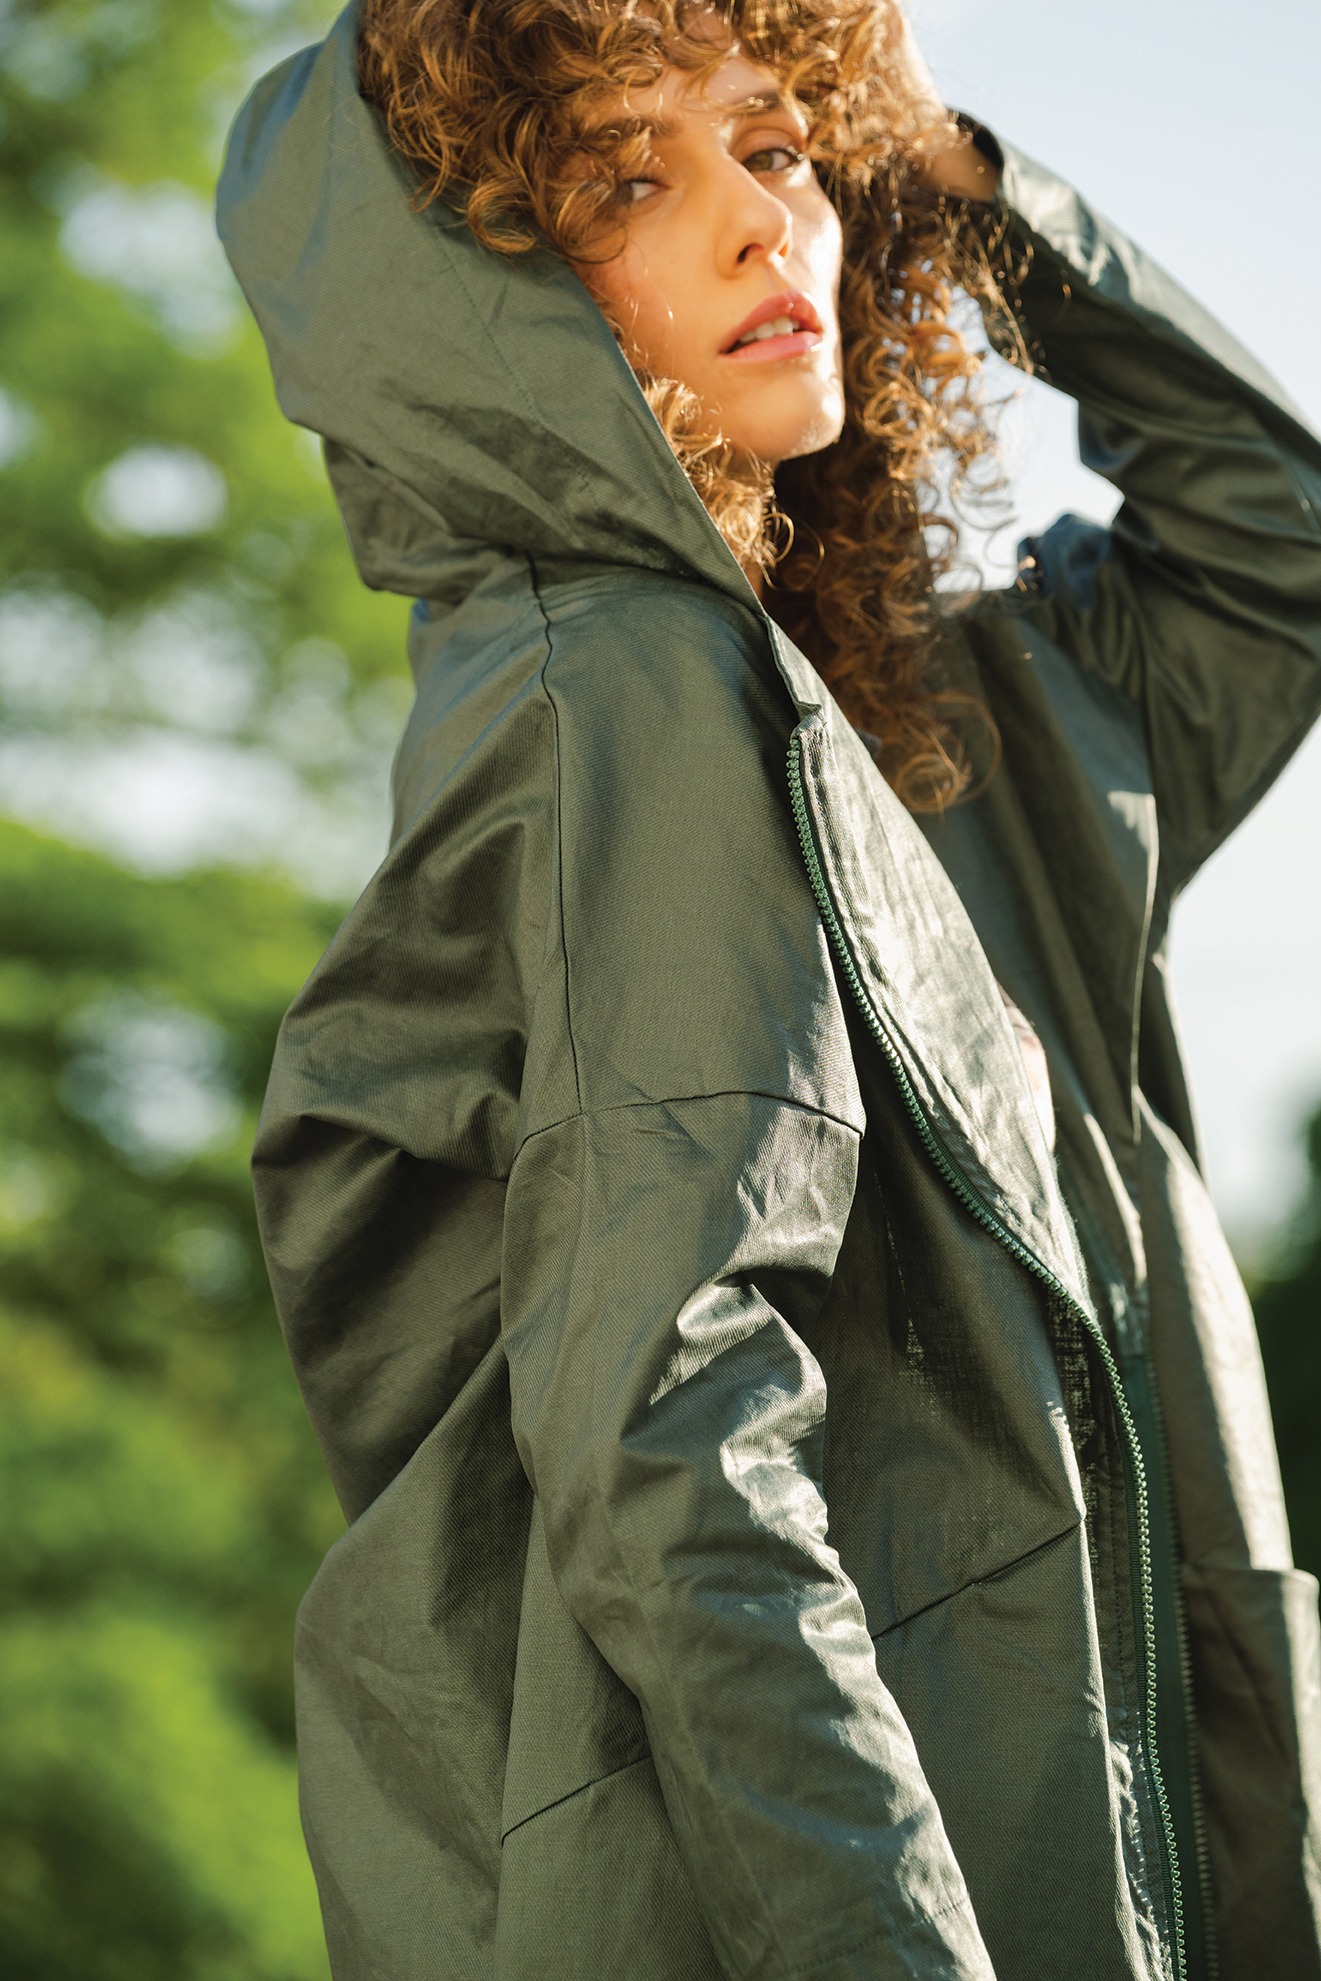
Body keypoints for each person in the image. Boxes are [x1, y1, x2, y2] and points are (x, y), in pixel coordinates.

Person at [216, 1, 1321, 1976]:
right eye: (625, 176)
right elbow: (676, 1437)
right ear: (476, 296)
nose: (759, 221)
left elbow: (1281, 543)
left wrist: (954, 172)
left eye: (782, 147)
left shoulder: (943, 721)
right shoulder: (621, 687)